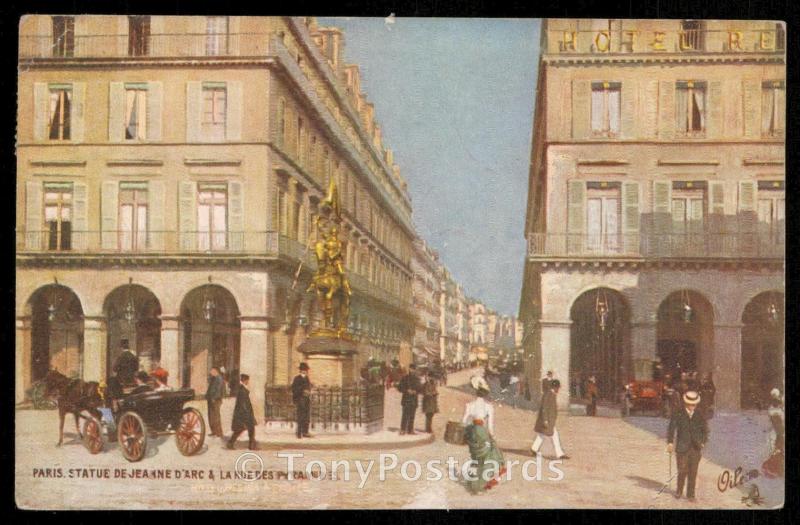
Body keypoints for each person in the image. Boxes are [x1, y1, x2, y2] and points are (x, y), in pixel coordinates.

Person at [462, 376, 506, 493]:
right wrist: (492, 438)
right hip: (482, 432)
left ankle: (472, 482)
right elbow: (490, 427)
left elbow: (464, 421)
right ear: (485, 394)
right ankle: (481, 484)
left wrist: (470, 430)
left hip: (472, 432)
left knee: (475, 457)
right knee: (489, 457)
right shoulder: (488, 407)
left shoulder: (469, 405)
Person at [666, 391, 708, 501]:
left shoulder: (700, 414)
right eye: (690, 404)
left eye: (694, 404)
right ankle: (679, 491)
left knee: (693, 472)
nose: (692, 406)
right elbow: (671, 428)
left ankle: (691, 494)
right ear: (686, 403)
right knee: (682, 470)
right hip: (682, 447)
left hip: (695, 448)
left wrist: (703, 441)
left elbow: (705, 430)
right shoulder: (678, 413)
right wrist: (670, 442)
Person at [531, 379, 569, 459]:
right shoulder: (549, 394)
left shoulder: (551, 393)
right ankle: (560, 454)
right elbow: (544, 407)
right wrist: (545, 420)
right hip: (547, 420)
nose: (558, 389)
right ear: (554, 387)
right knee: (554, 435)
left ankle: (534, 449)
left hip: (549, 420)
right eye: (558, 388)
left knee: (542, 435)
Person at [227, 374, 258, 450]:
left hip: (243, 413)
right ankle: (231, 443)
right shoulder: (242, 390)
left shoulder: (242, 389)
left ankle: (250, 445)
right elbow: (243, 404)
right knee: (245, 429)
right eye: (247, 380)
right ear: (245, 380)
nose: (248, 382)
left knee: (245, 429)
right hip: (244, 413)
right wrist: (247, 413)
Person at [762, 388, 784, 478]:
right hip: (777, 433)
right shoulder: (775, 411)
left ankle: (776, 469)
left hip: (778, 433)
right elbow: (777, 424)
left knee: (776, 451)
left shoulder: (774, 409)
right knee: (776, 451)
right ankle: (774, 470)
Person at [397, 363, 421, 435]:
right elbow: (399, 388)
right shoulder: (405, 378)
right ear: (409, 369)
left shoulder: (417, 379)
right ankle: (403, 429)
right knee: (405, 415)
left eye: (413, 369)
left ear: (415, 370)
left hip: (414, 399)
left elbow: (420, 389)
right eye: (411, 369)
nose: (412, 370)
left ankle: (410, 430)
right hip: (406, 399)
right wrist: (407, 390)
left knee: (412, 416)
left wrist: (415, 391)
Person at [291, 362, 312, 439]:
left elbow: (309, 387)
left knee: (306, 416)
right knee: (300, 416)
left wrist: (308, 391)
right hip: (300, 399)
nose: (305, 371)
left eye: (306, 370)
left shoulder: (307, 378)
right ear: (300, 370)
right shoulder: (297, 378)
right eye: (303, 370)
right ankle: (299, 432)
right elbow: (294, 389)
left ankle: (305, 432)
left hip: (306, 399)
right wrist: (303, 390)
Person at [205, 366, 224, 438]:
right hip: (210, 399)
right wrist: (207, 396)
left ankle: (219, 433)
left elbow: (219, 390)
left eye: (212, 371)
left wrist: (214, 398)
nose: (210, 372)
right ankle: (213, 431)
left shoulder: (219, 378)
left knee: (216, 416)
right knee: (211, 416)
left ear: (216, 371)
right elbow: (210, 388)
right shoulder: (213, 378)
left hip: (216, 400)